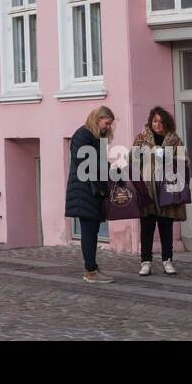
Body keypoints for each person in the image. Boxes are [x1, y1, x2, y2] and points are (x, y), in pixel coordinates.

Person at [133, 107, 186, 277]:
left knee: (166, 226)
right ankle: (145, 261)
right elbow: (133, 161)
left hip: (167, 187)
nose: (157, 124)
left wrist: (168, 157)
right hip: (147, 188)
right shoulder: (142, 139)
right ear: (150, 122)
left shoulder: (175, 140)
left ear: (166, 123)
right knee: (147, 227)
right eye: (154, 121)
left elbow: (184, 163)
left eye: (161, 122)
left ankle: (167, 261)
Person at [65, 106, 116, 284]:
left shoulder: (96, 137)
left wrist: (113, 172)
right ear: (97, 119)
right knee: (88, 231)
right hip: (84, 190)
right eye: (106, 123)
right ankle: (90, 271)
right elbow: (86, 163)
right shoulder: (83, 135)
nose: (108, 127)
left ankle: (92, 266)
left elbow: (101, 163)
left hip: (92, 190)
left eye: (110, 124)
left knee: (92, 231)